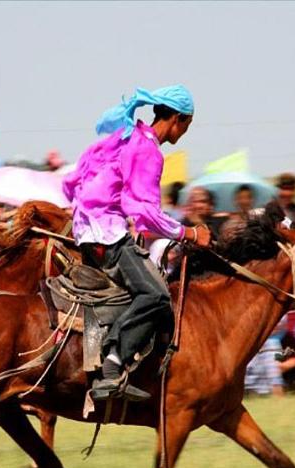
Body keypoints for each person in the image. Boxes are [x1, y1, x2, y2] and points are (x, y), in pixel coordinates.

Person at [63, 84, 211, 400]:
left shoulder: (126, 137)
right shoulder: (148, 151)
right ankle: (112, 367)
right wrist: (189, 233)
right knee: (157, 296)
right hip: (109, 236)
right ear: (177, 119)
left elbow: (77, 184)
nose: (185, 132)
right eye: (187, 125)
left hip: (88, 233)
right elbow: (142, 208)